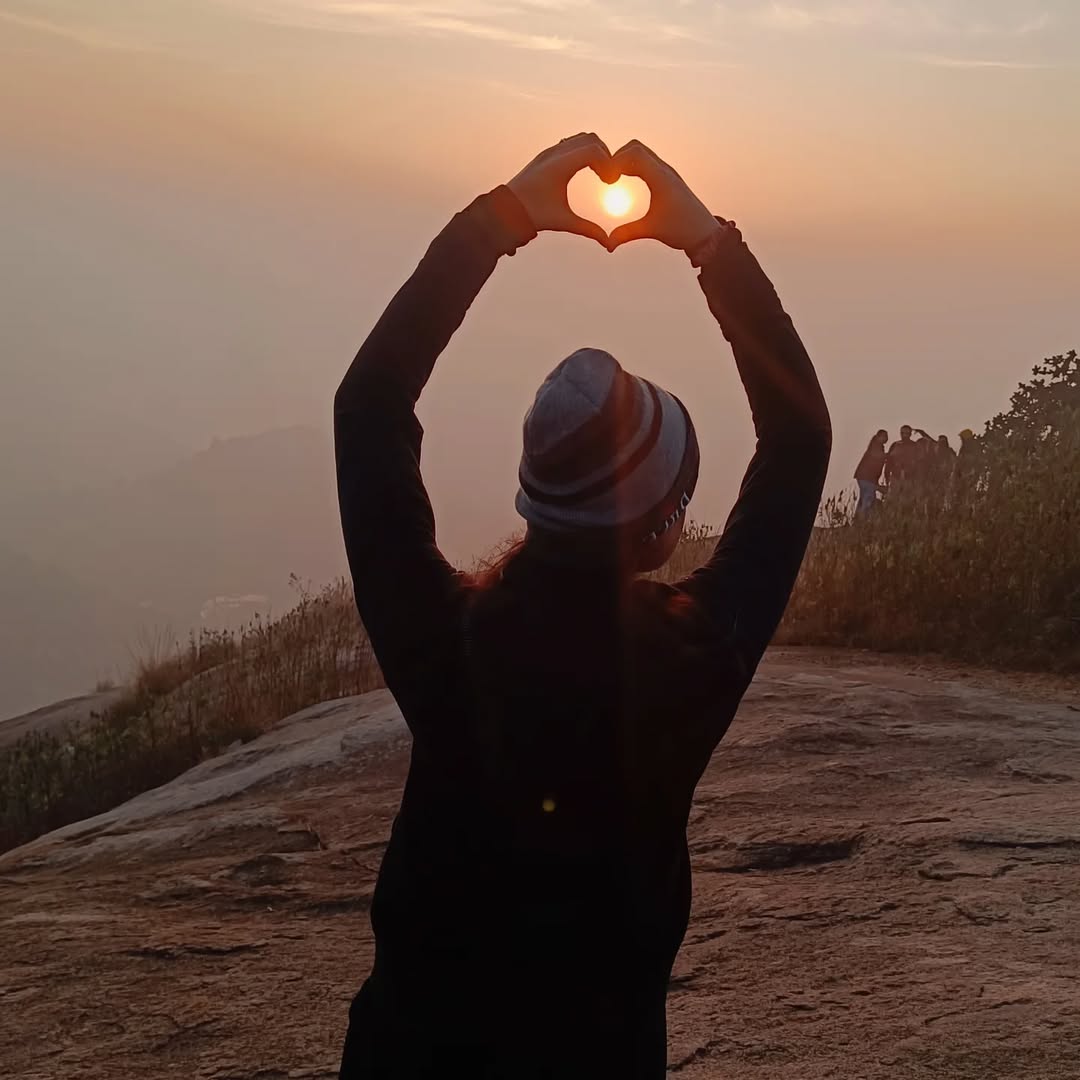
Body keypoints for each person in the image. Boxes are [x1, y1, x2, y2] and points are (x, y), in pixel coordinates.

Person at [333, 134, 831, 1079]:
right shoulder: (693, 662)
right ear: (656, 532)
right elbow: (800, 439)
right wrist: (708, 244)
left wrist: (503, 219)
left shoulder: (446, 641)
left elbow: (368, 405)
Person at [853, 429, 888, 516]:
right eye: (884, 436)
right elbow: (876, 455)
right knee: (868, 497)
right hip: (866, 476)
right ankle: (863, 518)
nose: (886, 438)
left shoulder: (877, 445)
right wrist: (889, 455)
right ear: (879, 436)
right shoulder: (876, 445)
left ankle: (858, 518)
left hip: (865, 476)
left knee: (865, 496)